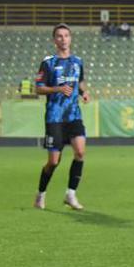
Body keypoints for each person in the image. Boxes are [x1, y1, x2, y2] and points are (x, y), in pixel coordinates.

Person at [33, 24, 89, 210]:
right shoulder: (48, 63)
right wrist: (57, 89)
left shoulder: (78, 61)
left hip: (74, 115)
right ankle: (41, 194)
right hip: (55, 117)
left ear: (70, 39)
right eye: (59, 36)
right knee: (53, 162)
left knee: (80, 152)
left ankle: (70, 195)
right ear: (54, 40)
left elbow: (80, 81)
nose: (63, 39)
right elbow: (39, 88)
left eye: (66, 35)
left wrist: (84, 92)